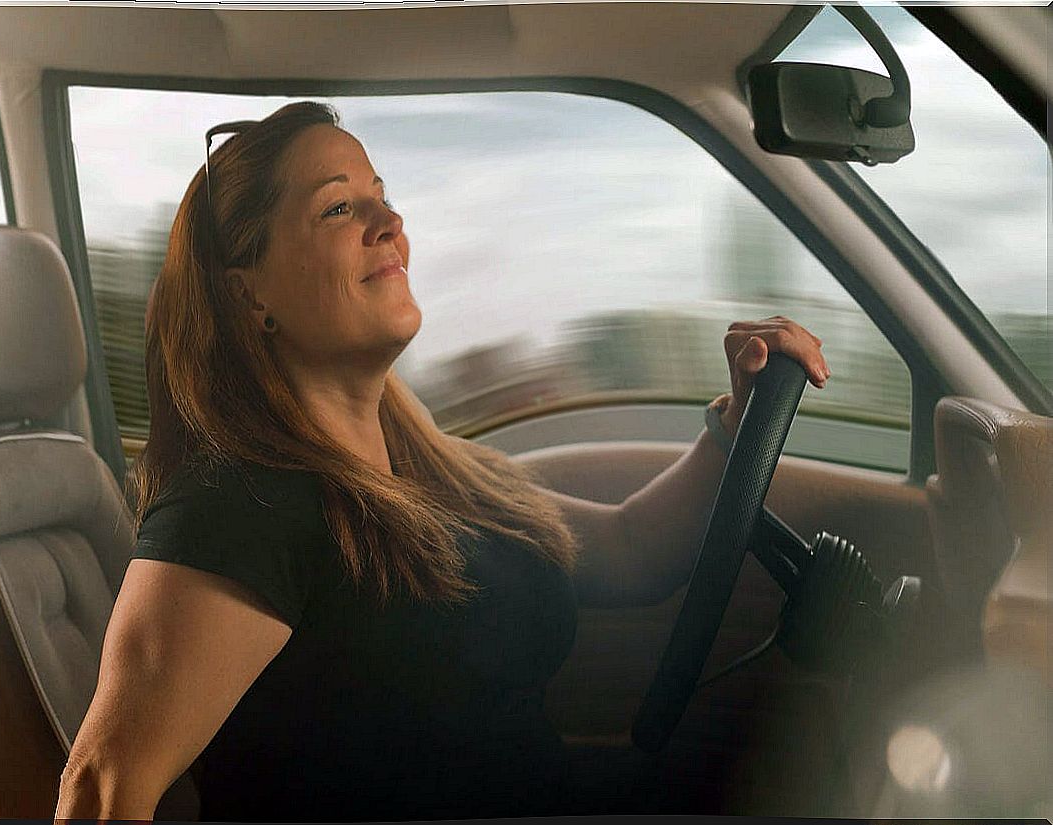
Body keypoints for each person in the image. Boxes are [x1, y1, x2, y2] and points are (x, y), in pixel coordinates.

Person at [54, 101, 830, 822]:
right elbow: (101, 785)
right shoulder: (237, 506)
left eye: (382, 196)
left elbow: (628, 548)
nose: (390, 221)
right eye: (339, 207)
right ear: (249, 294)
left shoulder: (416, 459)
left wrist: (738, 414)